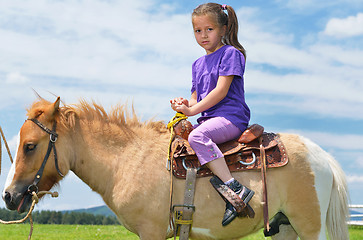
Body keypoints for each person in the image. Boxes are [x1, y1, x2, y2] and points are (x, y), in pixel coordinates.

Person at [170, 3, 254, 226]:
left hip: (230, 118)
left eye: (209, 29)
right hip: (208, 119)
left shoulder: (231, 54)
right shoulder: (197, 64)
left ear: (224, 29)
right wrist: (183, 105)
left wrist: (191, 111)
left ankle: (235, 188)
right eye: (198, 31)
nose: (203, 35)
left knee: (197, 137)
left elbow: (219, 92)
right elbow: (197, 99)